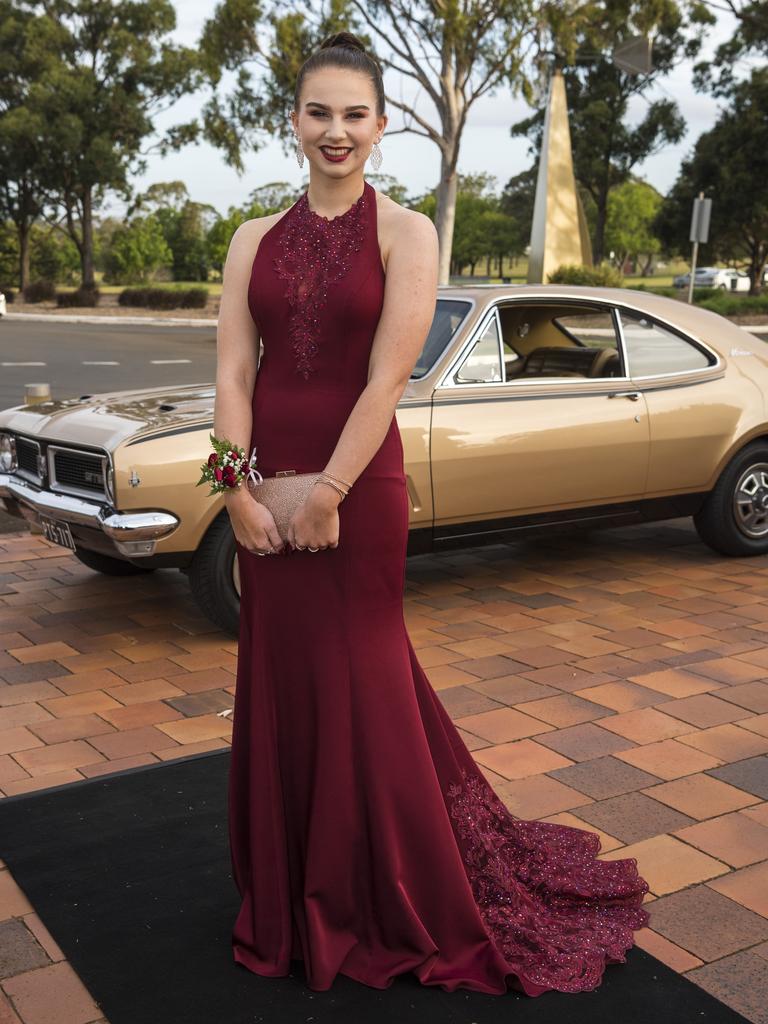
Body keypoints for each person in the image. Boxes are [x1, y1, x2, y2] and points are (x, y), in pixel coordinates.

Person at [214, 30, 651, 998]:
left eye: (354, 114)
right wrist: (235, 489)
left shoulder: (407, 232)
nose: (336, 131)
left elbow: (388, 378)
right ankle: (292, 897)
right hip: (264, 484)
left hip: (357, 492)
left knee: (363, 677)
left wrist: (326, 491)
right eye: (317, 111)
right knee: (285, 681)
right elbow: (235, 374)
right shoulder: (250, 240)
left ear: (381, 124)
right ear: (294, 120)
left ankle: (383, 894)